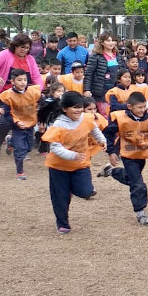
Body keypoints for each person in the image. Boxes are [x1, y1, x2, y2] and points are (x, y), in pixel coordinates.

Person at [42, 91, 106, 233]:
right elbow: (55, 147)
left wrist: (102, 140)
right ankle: (62, 223)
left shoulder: (86, 118)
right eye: (74, 107)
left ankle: (70, 189)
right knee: (60, 197)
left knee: (86, 191)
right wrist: (72, 155)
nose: (78, 110)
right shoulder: (58, 124)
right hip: (58, 166)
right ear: (65, 109)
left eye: (80, 107)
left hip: (80, 164)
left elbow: (94, 130)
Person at [105, 91, 148, 226]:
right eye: (139, 107)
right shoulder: (121, 118)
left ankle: (111, 172)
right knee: (138, 183)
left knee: (133, 180)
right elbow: (108, 133)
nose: (143, 110)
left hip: (141, 155)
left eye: (144, 107)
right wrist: (112, 151)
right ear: (129, 106)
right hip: (127, 156)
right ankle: (141, 212)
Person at [0, 69, 42, 180]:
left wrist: (41, 120)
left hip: (31, 123)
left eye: (25, 80)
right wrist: (16, 122)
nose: (23, 82)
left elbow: (42, 105)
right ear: (12, 81)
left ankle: (10, 141)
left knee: (28, 147)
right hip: (17, 126)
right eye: (19, 80)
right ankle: (20, 172)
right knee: (20, 150)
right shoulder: (8, 96)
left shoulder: (34, 91)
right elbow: (6, 114)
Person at [0, 33, 44, 98]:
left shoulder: (30, 59)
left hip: (24, 96)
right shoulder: (5, 54)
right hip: (3, 95)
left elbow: (36, 77)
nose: (24, 50)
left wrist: (39, 89)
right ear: (15, 46)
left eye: (27, 48)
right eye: (22, 47)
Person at [83, 32, 119, 117]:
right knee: (105, 115)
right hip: (100, 92)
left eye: (113, 40)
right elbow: (88, 73)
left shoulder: (118, 55)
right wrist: (86, 89)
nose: (111, 43)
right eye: (108, 40)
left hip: (115, 91)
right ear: (102, 42)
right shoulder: (95, 56)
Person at [37, 83, 66, 155]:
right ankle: (43, 149)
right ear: (53, 92)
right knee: (46, 135)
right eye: (58, 91)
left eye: (62, 91)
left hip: (56, 121)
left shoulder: (62, 101)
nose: (61, 93)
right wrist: (41, 121)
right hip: (47, 121)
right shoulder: (48, 101)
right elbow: (42, 112)